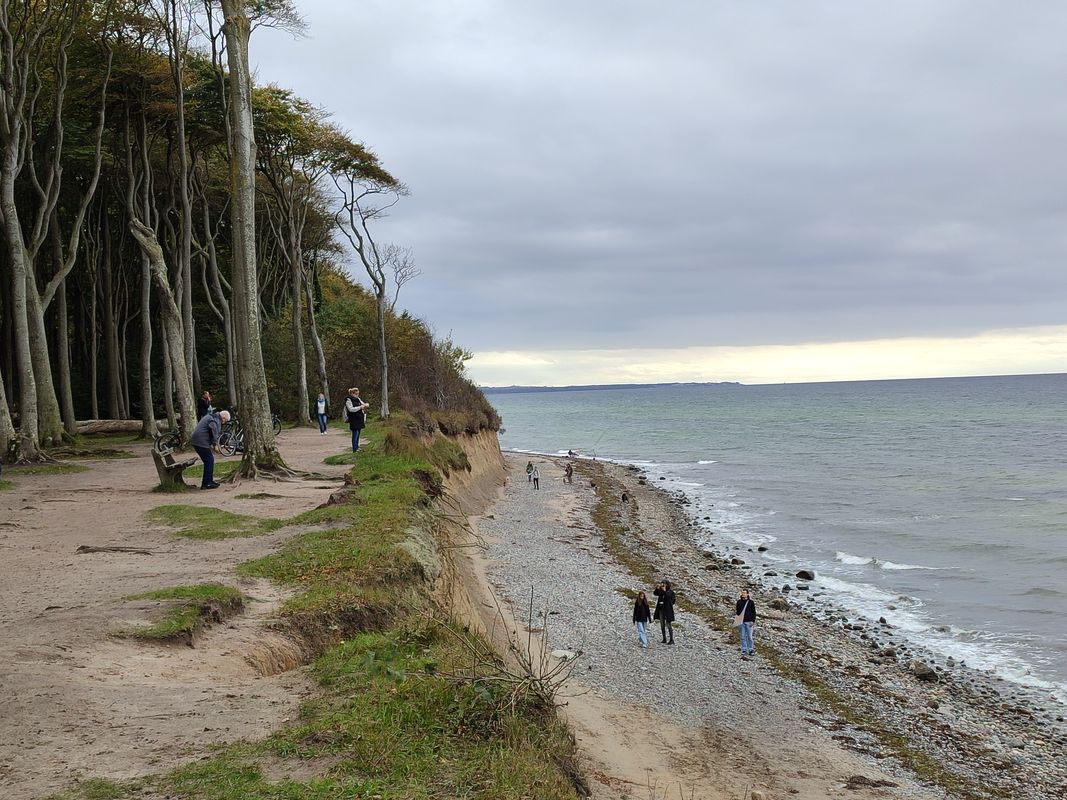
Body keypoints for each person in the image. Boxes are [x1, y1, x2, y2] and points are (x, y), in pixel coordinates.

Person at [190, 409, 229, 490]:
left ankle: (209, 481)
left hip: (197, 440)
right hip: (200, 442)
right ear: (224, 418)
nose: (224, 423)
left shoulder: (210, 416)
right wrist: (215, 445)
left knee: (208, 460)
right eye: (225, 421)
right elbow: (214, 430)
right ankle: (206, 483)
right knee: (209, 461)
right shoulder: (215, 420)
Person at [344, 387, 370, 452]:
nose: (357, 395)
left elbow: (363, 404)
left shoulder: (358, 399)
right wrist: (360, 407)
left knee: (358, 434)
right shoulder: (348, 400)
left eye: (358, 394)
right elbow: (351, 409)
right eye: (356, 394)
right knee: (355, 434)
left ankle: (357, 447)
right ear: (352, 393)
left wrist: (366, 405)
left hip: (359, 418)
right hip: (353, 419)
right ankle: (354, 448)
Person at [736, 588, 757, 657]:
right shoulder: (739, 602)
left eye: (744, 593)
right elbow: (738, 612)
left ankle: (751, 649)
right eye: (742, 593)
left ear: (747, 594)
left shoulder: (751, 602)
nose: (743, 594)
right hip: (742, 622)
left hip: (749, 622)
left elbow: (754, 612)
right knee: (742, 636)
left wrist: (753, 621)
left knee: (750, 637)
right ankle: (744, 649)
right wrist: (738, 621)